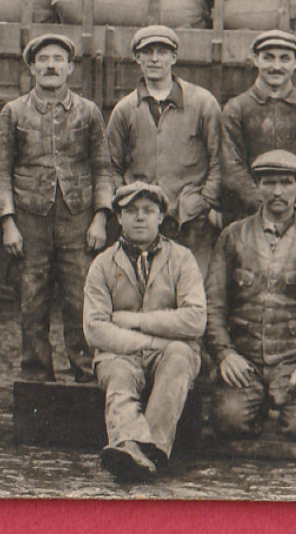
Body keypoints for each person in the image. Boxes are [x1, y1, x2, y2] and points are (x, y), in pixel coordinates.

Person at [0, 33, 114, 382]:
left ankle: (86, 375)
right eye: (43, 59)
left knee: (81, 299)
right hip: (30, 219)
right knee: (32, 299)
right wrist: (8, 222)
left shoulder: (88, 112)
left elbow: (102, 168)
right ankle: (35, 377)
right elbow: (0, 171)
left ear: (70, 68)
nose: (50, 65)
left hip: (78, 218)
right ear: (32, 67)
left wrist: (100, 218)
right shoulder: (13, 112)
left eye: (58, 59)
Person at [205, 150, 296, 442]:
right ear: (257, 186)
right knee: (228, 422)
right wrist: (225, 354)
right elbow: (213, 303)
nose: (277, 191)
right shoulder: (233, 236)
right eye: (268, 183)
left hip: (294, 360)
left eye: (286, 182)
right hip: (245, 360)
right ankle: (259, 405)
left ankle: (291, 403)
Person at [83, 182, 207, 483]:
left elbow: (195, 319)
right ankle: (128, 445)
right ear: (119, 218)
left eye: (148, 211)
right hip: (120, 351)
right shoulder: (102, 264)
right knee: (119, 376)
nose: (140, 218)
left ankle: (147, 449)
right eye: (131, 211)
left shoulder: (182, 259)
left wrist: (136, 321)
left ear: (161, 217)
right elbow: (96, 330)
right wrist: (152, 340)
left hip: (171, 352)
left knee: (179, 356)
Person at [105, 24, 223, 274]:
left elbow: (219, 158)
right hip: (144, 217)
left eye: (162, 51)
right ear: (137, 58)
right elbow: (111, 165)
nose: (154, 59)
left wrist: (205, 200)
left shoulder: (202, 102)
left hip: (190, 218)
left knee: (192, 284)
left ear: (174, 57)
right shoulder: (125, 109)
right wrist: (127, 200)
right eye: (147, 52)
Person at [220, 30, 296, 226]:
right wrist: (263, 208)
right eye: (268, 58)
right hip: (249, 218)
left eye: (284, 59)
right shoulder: (236, 108)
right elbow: (232, 167)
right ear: (255, 59)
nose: (276, 66)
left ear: (295, 63)